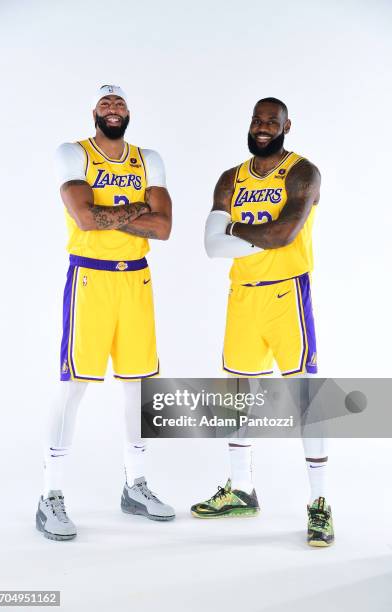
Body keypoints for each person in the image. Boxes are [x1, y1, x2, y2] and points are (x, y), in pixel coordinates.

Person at [36, 84, 175, 541]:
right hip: (90, 278)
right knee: (74, 384)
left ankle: (135, 486)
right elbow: (83, 217)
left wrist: (111, 211)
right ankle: (50, 496)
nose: (113, 108)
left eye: (119, 103)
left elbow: (164, 226)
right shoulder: (72, 152)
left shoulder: (147, 158)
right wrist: (135, 208)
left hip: (136, 278)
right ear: (93, 112)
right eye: (105, 103)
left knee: (137, 388)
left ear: (128, 112)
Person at [193, 97, 334, 547]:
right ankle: (241, 490)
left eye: (271, 122)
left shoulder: (302, 172)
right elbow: (212, 247)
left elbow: (285, 234)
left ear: (286, 125)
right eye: (257, 120)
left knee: (305, 397)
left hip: (286, 293)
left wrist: (234, 232)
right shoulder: (229, 178)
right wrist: (255, 239)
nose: (262, 128)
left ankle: (319, 505)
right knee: (235, 395)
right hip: (242, 298)